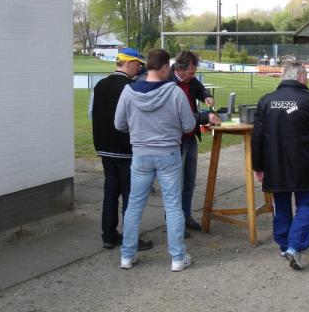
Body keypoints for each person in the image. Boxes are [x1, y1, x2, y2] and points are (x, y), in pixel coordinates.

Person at [251, 62, 309, 270]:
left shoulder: (266, 101)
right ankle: (294, 246)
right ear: (300, 76)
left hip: (275, 165)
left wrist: (258, 166)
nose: (308, 79)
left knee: (280, 204)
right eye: (307, 76)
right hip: (307, 164)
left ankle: (285, 245)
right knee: (307, 204)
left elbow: (257, 137)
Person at [115, 49, 196, 272]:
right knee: (173, 207)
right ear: (163, 68)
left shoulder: (128, 91)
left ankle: (127, 256)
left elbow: (119, 123)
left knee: (134, 206)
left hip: (141, 154)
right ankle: (177, 258)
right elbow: (189, 125)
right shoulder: (176, 93)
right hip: (169, 154)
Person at [91, 48, 153, 251]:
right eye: (137, 64)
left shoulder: (100, 85)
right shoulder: (130, 87)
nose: (139, 68)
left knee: (110, 193)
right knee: (130, 195)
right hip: (125, 149)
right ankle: (131, 239)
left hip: (104, 148)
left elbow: (93, 113)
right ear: (128, 63)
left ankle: (108, 236)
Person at [168, 51, 221, 235]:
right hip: (176, 140)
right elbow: (177, 115)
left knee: (189, 182)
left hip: (190, 137)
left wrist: (206, 96)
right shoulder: (168, 83)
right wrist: (206, 116)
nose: (193, 76)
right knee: (176, 183)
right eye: (190, 72)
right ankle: (174, 222)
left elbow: (199, 88)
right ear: (180, 69)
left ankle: (186, 215)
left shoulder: (190, 80)